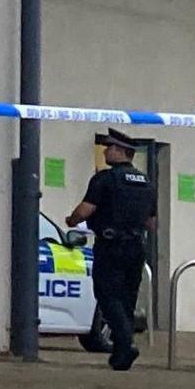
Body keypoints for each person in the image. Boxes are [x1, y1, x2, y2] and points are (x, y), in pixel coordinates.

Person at [68, 129, 155, 371]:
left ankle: (126, 343)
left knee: (107, 295)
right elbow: (151, 222)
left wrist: (71, 220)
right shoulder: (145, 182)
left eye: (110, 148)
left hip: (111, 246)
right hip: (136, 246)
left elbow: (85, 210)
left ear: (120, 151)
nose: (106, 151)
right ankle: (120, 354)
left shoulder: (104, 179)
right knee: (126, 298)